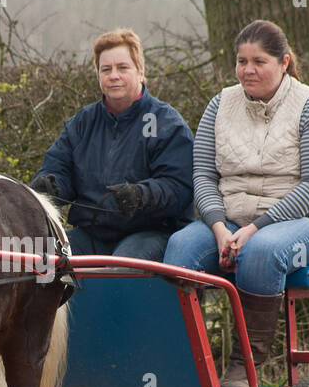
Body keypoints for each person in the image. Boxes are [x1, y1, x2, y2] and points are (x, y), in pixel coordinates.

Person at [164, 20, 309, 387]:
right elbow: (203, 175)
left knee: (260, 252)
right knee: (180, 247)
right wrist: (218, 228)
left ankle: (244, 366)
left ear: (284, 62)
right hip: (229, 222)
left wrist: (254, 229)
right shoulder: (219, 105)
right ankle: (190, 364)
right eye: (241, 61)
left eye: (259, 61)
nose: (248, 70)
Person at [31, 28, 194, 261]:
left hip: (153, 234)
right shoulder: (81, 124)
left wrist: (141, 195)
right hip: (91, 234)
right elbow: (57, 168)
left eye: (123, 68)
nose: (113, 75)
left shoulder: (166, 124)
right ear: (98, 75)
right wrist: (50, 185)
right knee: (40, 258)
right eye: (105, 69)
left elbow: (180, 187)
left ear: (141, 72)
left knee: (121, 265)